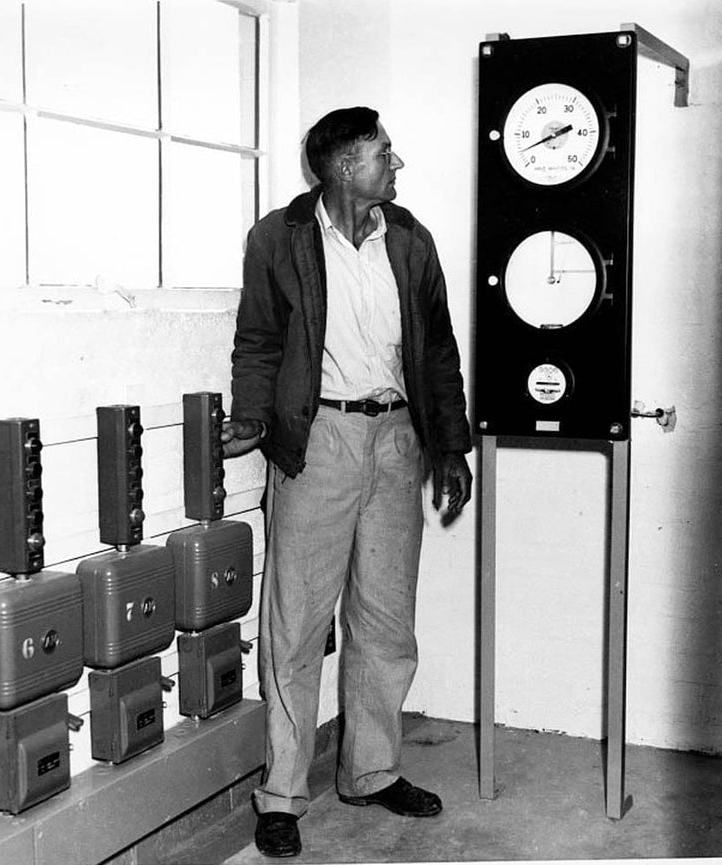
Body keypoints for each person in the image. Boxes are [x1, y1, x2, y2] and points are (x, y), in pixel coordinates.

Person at [221, 106, 473, 858]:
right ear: (342, 167)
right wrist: (249, 416)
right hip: (319, 438)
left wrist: (450, 447)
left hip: (398, 436)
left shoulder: (411, 240)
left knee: (386, 618)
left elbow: (438, 353)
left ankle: (370, 770)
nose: (396, 165)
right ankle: (282, 795)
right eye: (383, 154)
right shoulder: (280, 238)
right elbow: (259, 339)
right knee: (297, 621)